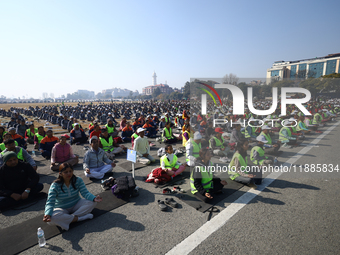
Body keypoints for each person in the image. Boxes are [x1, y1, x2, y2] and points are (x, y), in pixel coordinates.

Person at [43, 163, 102, 231]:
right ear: (60, 173)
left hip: (76, 204)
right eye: (65, 172)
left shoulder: (78, 180)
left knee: (92, 202)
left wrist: (94, 198)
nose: (69, 174)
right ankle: (80, 218)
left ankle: (68, 219)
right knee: (51, 219)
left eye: (70, 171)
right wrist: (47, 214)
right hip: (62, 208)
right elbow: (50, 202)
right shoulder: (55, 185)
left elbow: (85, 193)